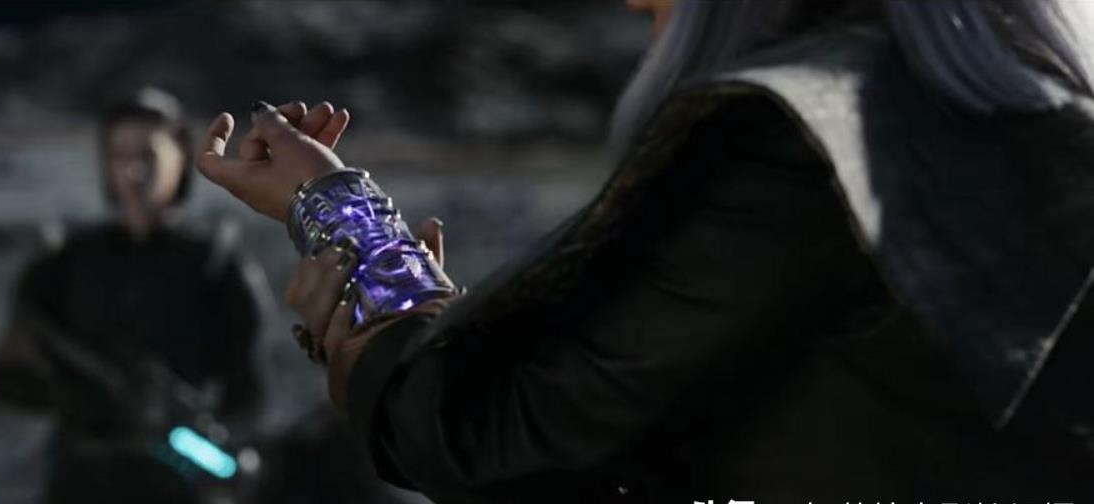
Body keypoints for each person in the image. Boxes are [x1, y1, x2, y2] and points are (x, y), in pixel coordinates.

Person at [195, 0, 1094, 502]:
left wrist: (354, 239)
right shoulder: (1039, 124)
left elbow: (504, 438)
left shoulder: (805, 142)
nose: (636, 3)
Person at [0, 89, 342, 503]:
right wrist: (76, 399)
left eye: (149, 156)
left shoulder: (216, 266)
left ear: (180, 157)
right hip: (81, 479)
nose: (134, 171)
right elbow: (8, 378)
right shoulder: (65, 265)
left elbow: (248, 396)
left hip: (176, 480)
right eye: (120, 156)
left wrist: (206, 439)